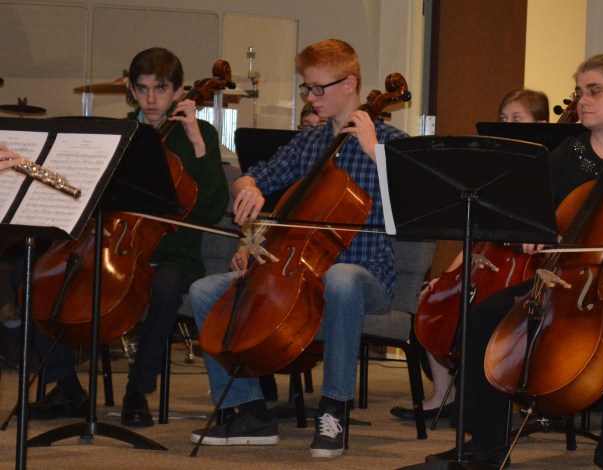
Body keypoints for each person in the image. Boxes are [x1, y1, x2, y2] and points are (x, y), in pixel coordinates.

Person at [422, 54, 603, 470]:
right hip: (569, 278)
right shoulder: (568, 154)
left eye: (594, 91)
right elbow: (526, 211)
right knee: (481, 318)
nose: (582, 101)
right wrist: (532, 234)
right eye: (579, 92)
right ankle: (485, 443)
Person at [188, 38, 408, 458]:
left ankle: (334, 409)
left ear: (350, 84)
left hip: (367, 276)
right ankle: (249, 412)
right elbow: (254, 175)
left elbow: (416, 208)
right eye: (307, 87)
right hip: (300, 272)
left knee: (340, 278)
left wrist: (374, 153)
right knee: (205, 291)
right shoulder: (310, 142)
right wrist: (248, 188)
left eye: (319, 88)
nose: (311, 97)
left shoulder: (390, 141)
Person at [26, 47, 229, 427]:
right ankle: (68, 388)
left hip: (172, 253)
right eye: (142, 89)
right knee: (32, 280)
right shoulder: (118, 132)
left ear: (179, 91)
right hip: (109, 244)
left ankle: (138, 390)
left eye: (161, 89)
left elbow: (212, 209)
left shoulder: (199, 133)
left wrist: (198, 144)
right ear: (132, 91)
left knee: (166, 287)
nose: (151, 99)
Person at [390, 87, 551, 425]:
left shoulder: (546, 171)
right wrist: (448, 276)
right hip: (486, 258)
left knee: (491, 312)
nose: (507, 124)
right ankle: (442, 395)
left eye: (517, 118)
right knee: (432, 296)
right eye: (503, 118)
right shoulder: (494, 171)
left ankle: (501, 397)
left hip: (527, 268)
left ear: (540, 125)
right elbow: (476, 236)